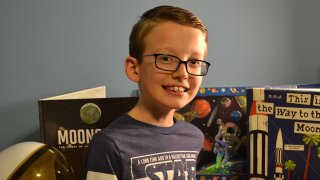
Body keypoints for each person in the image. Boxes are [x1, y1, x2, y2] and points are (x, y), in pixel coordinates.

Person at [84, 5, 210, 179]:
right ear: (134, 69)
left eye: (194, 61)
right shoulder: (109, 145)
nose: (183, 74)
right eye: (166, 58)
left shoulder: (194, 137)